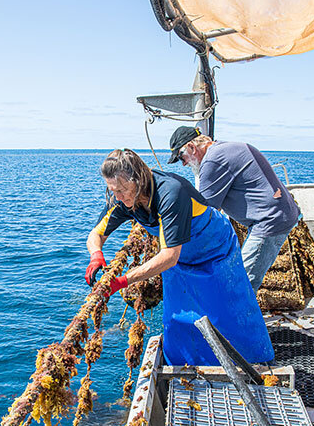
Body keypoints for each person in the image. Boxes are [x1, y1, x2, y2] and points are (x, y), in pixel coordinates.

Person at [84, 149, 274, 367]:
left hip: (214, 251)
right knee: (178, 318)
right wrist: (96, 255)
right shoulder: (124, 199)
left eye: (122, 190)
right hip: (181, 259)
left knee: (228, 312)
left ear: (138, 180)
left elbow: (168, 256)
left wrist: (124, 281)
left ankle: (254, 361)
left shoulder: (170, 193)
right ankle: (187, 366)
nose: (117, 196)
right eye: (113, 191)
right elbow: (96, 234)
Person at [169, 126, 300, 291]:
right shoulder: (225, 148)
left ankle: (240, 316)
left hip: (269, 220)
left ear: (192, 147)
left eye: (182, 157)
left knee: (238, 285)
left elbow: (204, 212)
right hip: (279, 214)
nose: (183, 164)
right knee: (241, 280)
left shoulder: (212, 161)